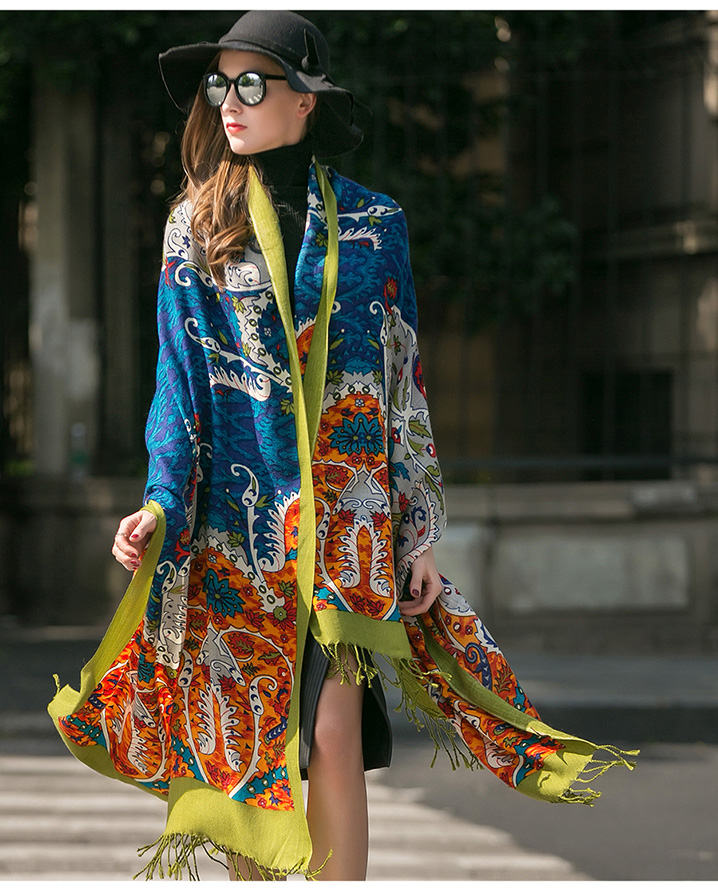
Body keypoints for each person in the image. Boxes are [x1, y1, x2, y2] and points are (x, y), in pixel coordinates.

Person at [49, 10, 635, 882]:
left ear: (306, 101)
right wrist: (159, 504)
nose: (230, 101)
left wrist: (419, 530)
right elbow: (178, 383)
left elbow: (403, 383)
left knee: (333, 732)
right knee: (249, 740)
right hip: (233, 531)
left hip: (347, 531)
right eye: (219, 83)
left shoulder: (374, 223)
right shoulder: (195, 226)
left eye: (252, 83)